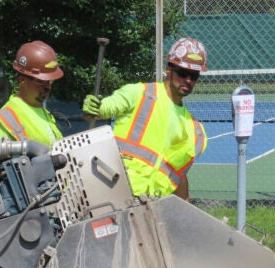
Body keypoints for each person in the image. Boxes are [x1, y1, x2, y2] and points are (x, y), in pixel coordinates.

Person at [82, 37, 208, 201]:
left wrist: (185, 210)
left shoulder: (194, 129)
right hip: (115, 191)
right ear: (169, 69)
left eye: (194, 75)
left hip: (154, 205)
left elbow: (178, 176)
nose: (188, 80)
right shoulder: (140, 94)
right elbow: (101, 110)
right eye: (183, 73)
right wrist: (92, 108)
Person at [0, 40, 64, 146]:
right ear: (22, 80)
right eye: (40, 81)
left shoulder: (42, 111)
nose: (48, 87)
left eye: (50, 81)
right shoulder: (7, 119)